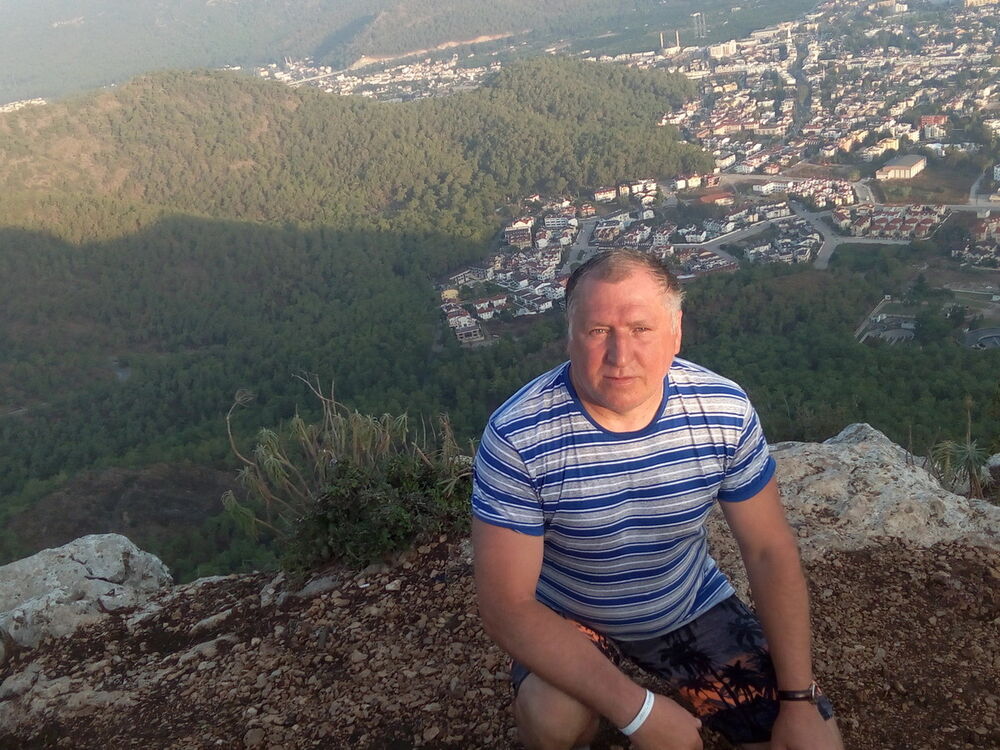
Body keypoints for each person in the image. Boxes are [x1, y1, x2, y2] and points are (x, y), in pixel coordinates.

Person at [471, 249, 843, 750]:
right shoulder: (519, 436)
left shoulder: (722, 410)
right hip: (569, 614)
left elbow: (768, 550)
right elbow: (507, 606)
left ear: (675, 331)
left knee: (809, 741)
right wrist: (639, 712)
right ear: (570, 336)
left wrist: (798, 699)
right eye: (598, 331)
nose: (620, 355)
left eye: (641, 329)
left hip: (687, 603)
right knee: (554, 717)